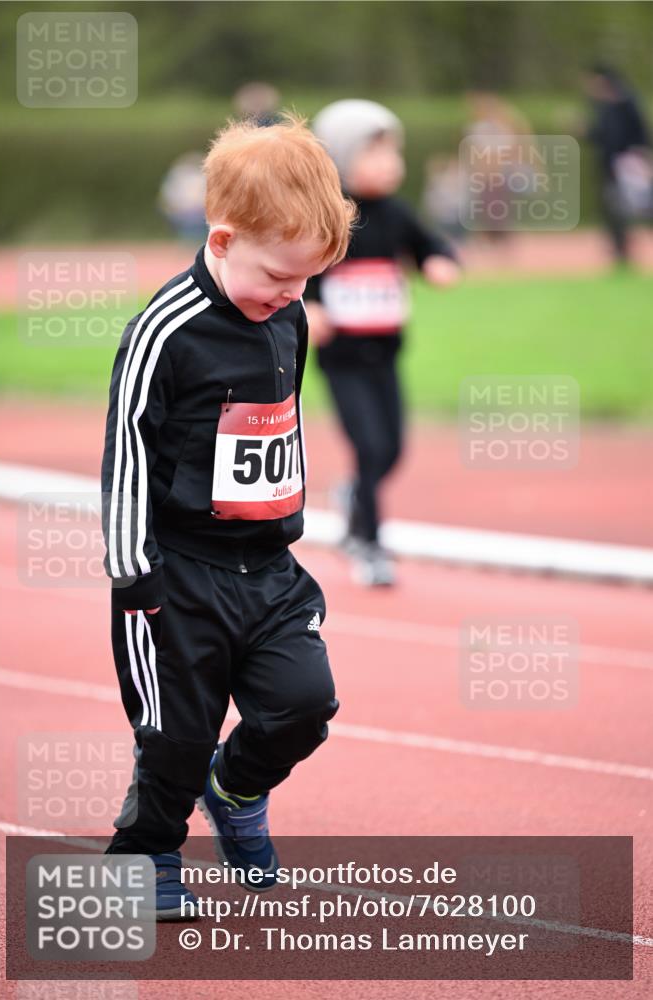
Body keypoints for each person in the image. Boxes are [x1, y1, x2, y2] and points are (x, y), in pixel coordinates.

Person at [100, 113, 356, 919]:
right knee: (173, 735)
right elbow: (127, 454)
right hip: (176, 573)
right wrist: (131, 570)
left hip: (269, 568)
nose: (289, 295)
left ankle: (236, 786)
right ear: (220, 239)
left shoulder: (286, 316)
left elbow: (281, 418)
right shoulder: (164, 330)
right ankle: (145, 854)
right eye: (277, 276)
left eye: (304, 282)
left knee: (303, 705)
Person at [307, 99, 460, 587]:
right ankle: (368, 545)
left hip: (385, 353)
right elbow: (302, 265)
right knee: (370, 447)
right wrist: (310, 305)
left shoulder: (396, 213)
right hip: (342, 356)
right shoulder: (328, 217)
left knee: (392, 449)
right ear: (340, 160)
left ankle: (354, 495)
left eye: (393, 154)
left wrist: (439, 262)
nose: (390, 165)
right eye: (375, 155)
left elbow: (430, 244)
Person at [581, 65, 651, 263]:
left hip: (630, 164)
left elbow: (640, 131)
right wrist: (586, 132)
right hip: (610, 166)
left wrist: (643, 156)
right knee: (613, 208)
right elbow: (603, 136)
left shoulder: (626, 101)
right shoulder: (602, 105)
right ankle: (620, 249)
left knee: (640, 205)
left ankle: (622, 247)